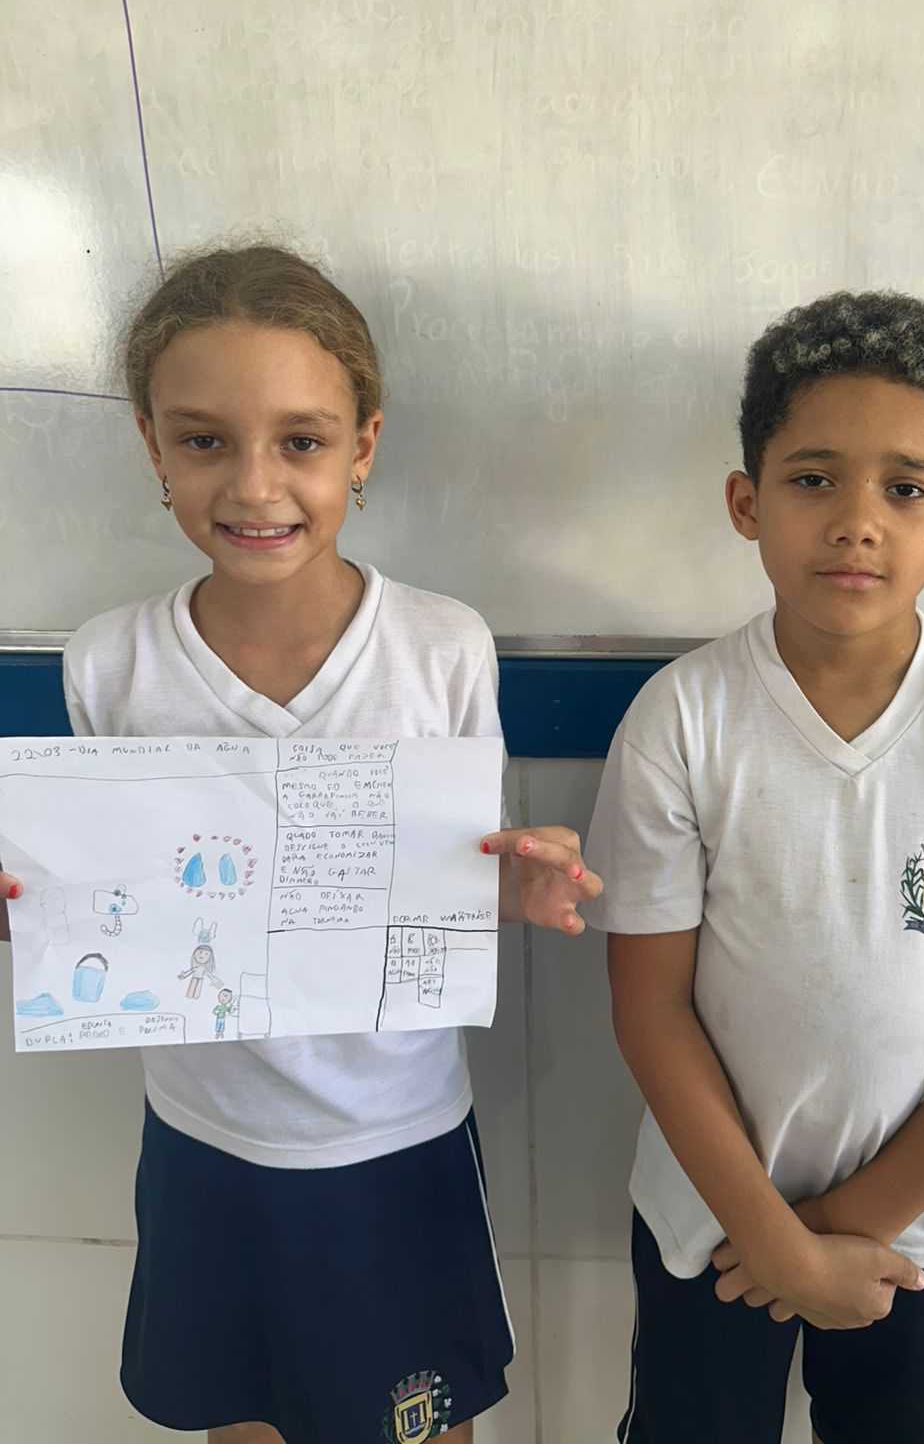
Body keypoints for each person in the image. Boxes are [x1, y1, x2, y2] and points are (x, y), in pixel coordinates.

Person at [0, 242, 600, 1444]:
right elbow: (107, 902)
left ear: (362, 447)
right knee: (247, 1418)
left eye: (302, 441)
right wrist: (29, 908)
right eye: (205, 440)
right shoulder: (111, 662)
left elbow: (450, 878)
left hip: (397, 1136)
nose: (255, 485)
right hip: (206, 1138)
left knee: (417, 1423)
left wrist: (521, 892)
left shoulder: (440, 647)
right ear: (152, 446)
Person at [585, 291, 924, 1444]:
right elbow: (650, 1008)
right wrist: (774, 1243)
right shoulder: (681, 720)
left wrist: (834, 1234)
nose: (857, 522)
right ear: (748, 502)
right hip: (710, 1222)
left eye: (906, 489)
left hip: (909, 1230)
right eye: (815, 478)